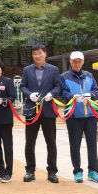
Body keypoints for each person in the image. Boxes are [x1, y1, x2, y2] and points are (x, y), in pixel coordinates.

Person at [19, 44, 61, 184]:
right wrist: (29, 94)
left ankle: (52, 171)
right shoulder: (27, 70)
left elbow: (58, 86)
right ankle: (30, 171)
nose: (37, 56)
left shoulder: (54, 69)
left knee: (51, 142)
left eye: (40, 53)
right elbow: (23, 86)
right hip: (31, 109)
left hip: (48, 109)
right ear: (32, 55)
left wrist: (51, 94)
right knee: (30, 142)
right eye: (34, 53)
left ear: (45, 54)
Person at [61, 51, 98, 184]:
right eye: (74, 61)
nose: (77, 63)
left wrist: (90, 94)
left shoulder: (89, 75)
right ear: (70, 62)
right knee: (75, 145)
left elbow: (96, 91)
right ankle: (77, 171)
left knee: (92, 144)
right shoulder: (64, 76)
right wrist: (72, 97)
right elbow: (62, 92)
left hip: (90, 115)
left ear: (83, 62)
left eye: (79, 61)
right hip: (73, 115)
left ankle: (93, 171)